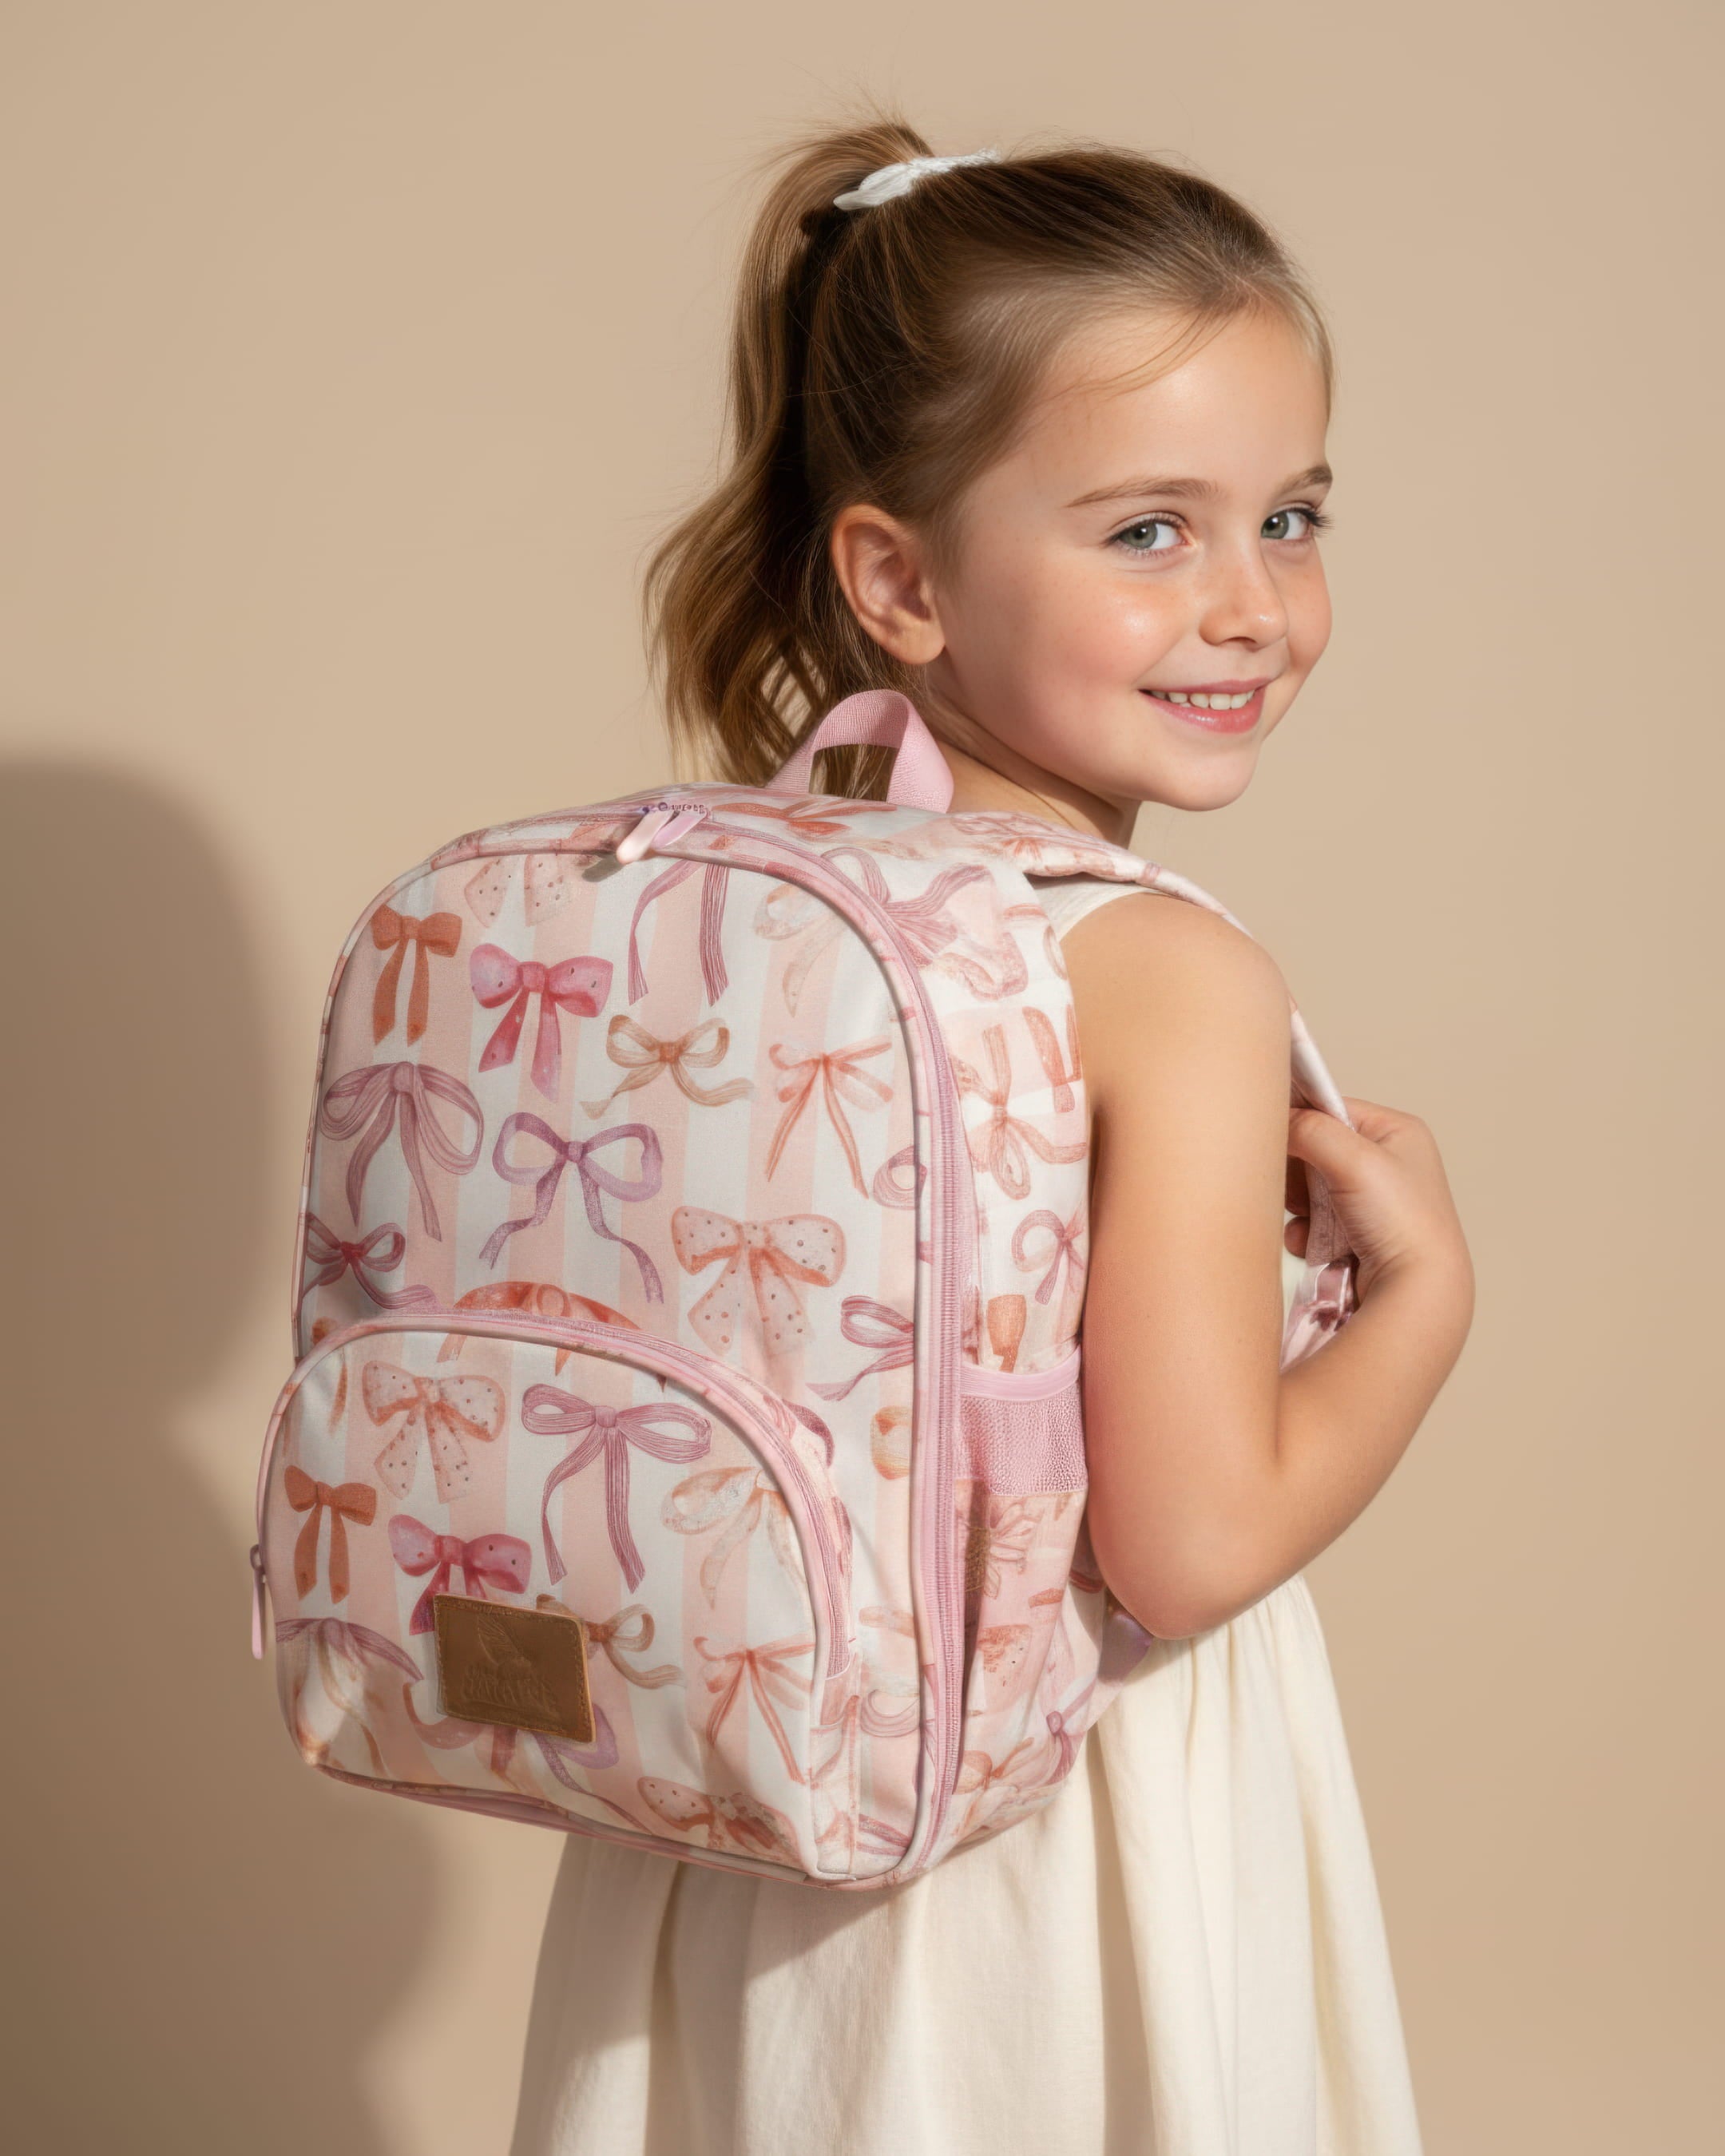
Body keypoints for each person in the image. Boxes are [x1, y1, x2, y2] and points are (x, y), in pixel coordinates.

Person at [510, 116, 1473, 2156]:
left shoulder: (757, 898)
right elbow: (1187, 1545)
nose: (1252, 604)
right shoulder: (1165, 978)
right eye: (1149, 531)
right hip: (1043, 1828)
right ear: (901, 579)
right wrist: (1420, 1304)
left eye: (1293, 514)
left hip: (740, 1795)